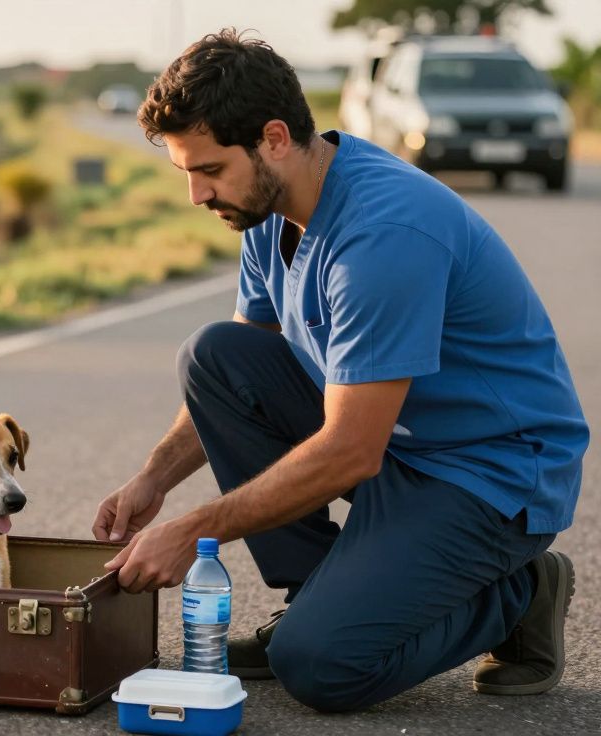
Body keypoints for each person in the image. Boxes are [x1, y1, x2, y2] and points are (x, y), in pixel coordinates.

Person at [91, 29, 588, 712]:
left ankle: (520, 593)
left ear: (272, 139)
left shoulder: (384, 235)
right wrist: (155, 478)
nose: (196, 195)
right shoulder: (268, 210)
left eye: (207, 170)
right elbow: (241, 373)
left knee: (323, 667)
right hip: (397, 447)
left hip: (488, 475)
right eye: (186, 173)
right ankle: (319, 594)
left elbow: (351, 449)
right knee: (214, 356)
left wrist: (195, 528)